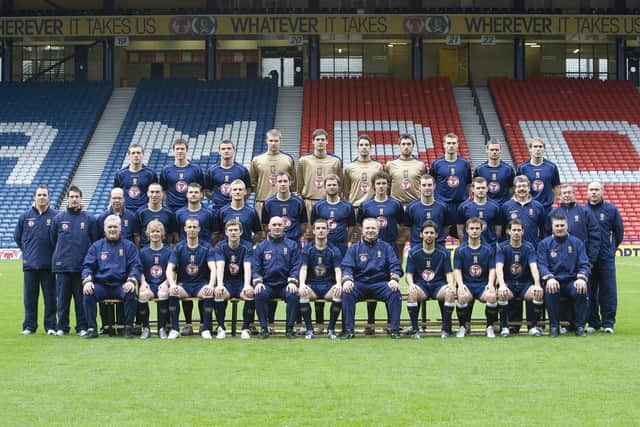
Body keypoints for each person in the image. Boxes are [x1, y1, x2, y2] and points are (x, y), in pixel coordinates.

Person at [356, 171, 405, 331]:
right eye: (378, 183)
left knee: (389, 284)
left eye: (384, 183)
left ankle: (391, 323)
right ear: (373, 186)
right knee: (371, 280)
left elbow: (402, 225)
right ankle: (371, 323)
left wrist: (397, 243)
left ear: (388, 185)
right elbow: (359, 226)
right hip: (370, 248)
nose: (381, 186)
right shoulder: (366, 205)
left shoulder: (395, 204)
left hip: (389, 247)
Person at [340, 218, 403, 339]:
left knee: (395, 291)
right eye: (367, 228)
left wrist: (394, 279)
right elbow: (347, 266)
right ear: (362, 231)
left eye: (373, 228)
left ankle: (394, 330)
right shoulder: (354, 248)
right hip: (360, 284)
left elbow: (395, 264)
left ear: (378, 230)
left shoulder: (386, 247)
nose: (370, 231)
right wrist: (347, 280)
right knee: (347, 292)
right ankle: (348, 330)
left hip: (381, 284)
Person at [81, 215, 141, 339]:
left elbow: (135, 265)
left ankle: (128, 327)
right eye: (110, 227)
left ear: (120, 228)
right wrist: (87, 280)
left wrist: (131, 280)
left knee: (131, 292)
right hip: (101, 285)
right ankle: (92, 328)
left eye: (115, 227)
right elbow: (87, 265)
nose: (112, 229)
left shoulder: (128, 246)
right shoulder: (96, 246)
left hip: (120, 285)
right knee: (88, 292)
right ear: (104, 229)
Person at [51, 186, 98, 336]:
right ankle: (62, 327)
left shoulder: (89, 218)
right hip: (63, 266)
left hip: (81, 267)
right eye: (71, 196)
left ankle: (82, 327)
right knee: (62, 300)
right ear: (67, 198)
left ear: (81, 198)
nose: (74, 199)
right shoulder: (58, 218)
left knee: (80, 300)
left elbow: (95, 240)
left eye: (77, 196)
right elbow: (53, 239)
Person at [14, 185, 58, 335]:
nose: (41, 197)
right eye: (39, 195)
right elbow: (18, 238)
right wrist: (28, 252)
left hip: (49, 265)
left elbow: (59, 239)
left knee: (50, 298)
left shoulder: (55, 216)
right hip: (30, 265)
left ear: (49, 197)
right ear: (35, 196)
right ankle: (29, 326)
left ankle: (51, 326)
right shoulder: (25, 216)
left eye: (44, 195)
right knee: (30, 299)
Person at [537, 214, 590, 337]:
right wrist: (549, 277)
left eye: (562, 225)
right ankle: (554, 326)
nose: (559, 228)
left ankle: (580, 326)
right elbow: (542, 265)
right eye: (557, 226)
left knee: (581, 289)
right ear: (552, 227)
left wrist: (581, 278)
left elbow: (584, 264)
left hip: (572, 281)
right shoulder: (544, 244)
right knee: (551, 290)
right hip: (554, 281)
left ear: (567, 226)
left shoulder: (577, 243)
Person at [165, 217, 217, 340]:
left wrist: (210, 284)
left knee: (208, 292)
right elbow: (169, 268)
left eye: (194, 227)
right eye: (189, 227)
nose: (192, 229)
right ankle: (175, 329)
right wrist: (172, 284)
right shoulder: (179, 247)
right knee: (173, 292)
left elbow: (213, 268)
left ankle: (205, 329)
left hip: (200, 284)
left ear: (199, 229)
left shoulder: (206, 247)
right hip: (184, 284)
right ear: (185, 229)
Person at [405, 221, 456, 339]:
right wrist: (411, 284)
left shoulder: (444, 252)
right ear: (421, 234)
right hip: (421, 286)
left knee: (449, 292)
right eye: (426, 232)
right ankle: (415, 330)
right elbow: (409, 274)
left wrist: (451, 284)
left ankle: (445, 329)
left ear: (436, 235)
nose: (429, 235)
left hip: (438, 286)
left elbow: (449, 273)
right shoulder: (413, 252)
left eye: (432, 233)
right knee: (412, 293)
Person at [252, 216, 301, 339]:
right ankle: (264, 328)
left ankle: (289, 329)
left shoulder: (292, 245)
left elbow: (296, 265)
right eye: (274, 225)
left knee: (293, 294)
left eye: (279, 225)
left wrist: (293, 281)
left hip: (285, 284)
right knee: (259, 293)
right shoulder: (261, 246)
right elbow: (256, 267)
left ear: (284, 226)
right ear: (269, 227)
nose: (277, 227)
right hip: (267, 284)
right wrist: (258, 282)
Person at [585, 181, 624, 334]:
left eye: (596, 190)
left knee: (608, 290)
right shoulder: (582, 210)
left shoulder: (611, 210)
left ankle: (608, 322)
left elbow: (618, 232)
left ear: (602, 192)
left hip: (606, 258)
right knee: (590, 290)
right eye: (591, 190)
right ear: (587, 192)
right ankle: (594, 322)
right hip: (588, 259)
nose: (593, 192)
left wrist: (611, 249)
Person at [495, 219, 544, 337]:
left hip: (525, 284)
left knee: (537, 293)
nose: (516, 232)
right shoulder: (502, 247)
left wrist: (537, 284)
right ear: (508, 231)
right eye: (514, 230)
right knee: (502, 293)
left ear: (523, 232)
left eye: (519, 230)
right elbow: (499, 267)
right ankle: (505, 327)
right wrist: (502, 284)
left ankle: (533, 327)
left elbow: (534, 267)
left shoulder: (529, 247)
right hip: (509, 284)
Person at [453, 217, 498, 338]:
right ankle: (463, 326)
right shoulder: (460, 250)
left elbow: (492, 269)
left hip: (482, 285)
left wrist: (490, 284)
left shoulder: (488, 249)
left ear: (481, 230)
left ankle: (489, 327)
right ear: (466, 230)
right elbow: (457, 270)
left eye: (477, 228)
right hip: (467, 284)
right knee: (462, 297)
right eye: (471, 228)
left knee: (492, 296)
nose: (474, 231)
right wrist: (461, 285)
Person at [298, 219, 343, 339]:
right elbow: (303, 269)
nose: (321, 230)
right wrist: (302, 284)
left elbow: (338, 270)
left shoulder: (334, 250)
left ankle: (331, 329)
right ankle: (309, 330)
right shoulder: (307, 249)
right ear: (313, 231)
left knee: (338, 293)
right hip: (313, 286)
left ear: (328, 231)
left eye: (323, 228)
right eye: (318, 228)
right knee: (302, 293)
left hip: (328, 286)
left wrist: (338, 284)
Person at [213, 220, 255, 339]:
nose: (233, 233)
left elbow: (247, 266)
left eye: (236, 230)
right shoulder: (221, 246)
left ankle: (245, 329)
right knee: (219, 294)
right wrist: (220, 285)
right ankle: (221, 328)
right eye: (230, 230)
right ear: (226, 232)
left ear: (241, 232)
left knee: (249, 294)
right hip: (227, 282)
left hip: (241, 282)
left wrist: (247, 285)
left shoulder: (247, 246)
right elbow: (220, 266)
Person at [296, 128, 343, 227]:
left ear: (327, 141)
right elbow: (299, 182)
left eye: (322, 139)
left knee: (330, 233)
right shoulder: (304, 160)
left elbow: (340, 183)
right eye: (317, 140)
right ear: (313, 141)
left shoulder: (335, 161)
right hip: (309, 201)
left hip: (329, 202)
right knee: (310, 233)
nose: (320, 142)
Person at [429, 133, 472, 238]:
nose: (451, 145)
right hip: (442, 204)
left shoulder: (464, 163)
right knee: (440, 235)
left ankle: (462, 254)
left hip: (460, 205)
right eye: (448, 143)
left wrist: (465, 200)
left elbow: (468, 184)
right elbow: (432, 184)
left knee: (462, 234)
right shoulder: (436, 164)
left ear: (457, 145)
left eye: (453, 143)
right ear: (444, 144)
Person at [546, 184, 601, 267]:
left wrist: (591, 259)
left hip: (581, 258)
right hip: (558, 259)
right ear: (559, 196)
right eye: (564, 193)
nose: (567, 195)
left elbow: (595, 235)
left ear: (574, 194)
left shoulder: (585, 212)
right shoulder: (553, 214)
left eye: (569, 192)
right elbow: (546, 235)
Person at [250, 129, 296, 220]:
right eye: (271, 140)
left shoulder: (288, 159)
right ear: (266, 141)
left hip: (283, 203)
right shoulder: (257, 159)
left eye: (276, 141)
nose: (273, 143)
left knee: (284, 231)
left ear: (280, 141)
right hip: (262, 202)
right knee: (262, 232)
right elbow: (253, 182)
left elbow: (293, 182)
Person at [138, 220, 172, 339]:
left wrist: (166, 282)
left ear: (162, 233)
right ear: (148, 233)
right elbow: (140, 270)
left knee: (163, 293)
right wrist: (143, 283)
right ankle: (146, 328)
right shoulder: (143, 252)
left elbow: (172, 270)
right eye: (152, 231)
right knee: (142, 294)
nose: (155, 234)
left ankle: (161, 328)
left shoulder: (169, 251)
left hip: (163, 283)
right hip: (149, 284)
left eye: (158, 231)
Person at [310, 174, 356, 256]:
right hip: (323, 245)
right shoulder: (318, 206)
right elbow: (313, 225)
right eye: (329, 185)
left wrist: (346, 240)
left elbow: (351, 226)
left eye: (334, 185)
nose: (332, 187)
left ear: (339, 187)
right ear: (325, 187)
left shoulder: (347, 206)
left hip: (341, 245)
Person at [516, 137, 561, 214]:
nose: (538, 149)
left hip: (547, 208)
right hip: (528, 207)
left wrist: (550, 200)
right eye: (535, 146)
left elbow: (556, 187)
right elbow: (516, 187)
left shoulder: (552, 167)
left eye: (540, 146)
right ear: (530, 149)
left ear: (544, 149)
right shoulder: (522, 168)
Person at [204, 140, 251, 212]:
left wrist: (238, 201)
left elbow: (248, 190)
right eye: (223, 149)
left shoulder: (242, 170)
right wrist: (216, 199)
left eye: (229, 148)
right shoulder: (211, 170)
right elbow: (207, 190)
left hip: (236, 208)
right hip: (218, 208)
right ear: (219, 151)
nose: (226, 151)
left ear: (234, 150)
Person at [343, 135, 384, 220]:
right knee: (355, 233)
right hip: (355, 207)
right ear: (357, 148)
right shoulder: (349, 167)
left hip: (373, 207)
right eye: (361, 145)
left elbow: (383, 187)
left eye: (366, 145)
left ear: (370, 147)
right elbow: (346, 190)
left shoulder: (378, 166)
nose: (364, 147)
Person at [159, 138, 204, 213]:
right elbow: (163, 190)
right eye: (177, 149)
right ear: (173, 151)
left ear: (186, 150)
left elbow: (202, 190)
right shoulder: (166, 169)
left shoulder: (196, 169)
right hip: (171, 209)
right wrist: (170, 200)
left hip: (190, 209)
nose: (180, 151)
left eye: (182, 149)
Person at [213, 179, 263, 245]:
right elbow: (217, 233)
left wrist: (250, 244)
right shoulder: (222, 212)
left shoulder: (251, 212)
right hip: (227, 251)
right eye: (235, 189)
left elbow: (258, 232)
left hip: (245, 251)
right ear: (230, 192)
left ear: (245, 192)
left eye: (240, 189)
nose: (237, 192)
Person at [500, 175, 546, 247]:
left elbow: (543, 230)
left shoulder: (538, 207)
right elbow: (502, 232)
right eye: (519, 186)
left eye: (524, 186)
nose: (522, 188)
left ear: (529, 188)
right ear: (515, 189)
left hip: (532, 249)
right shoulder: (506, 206)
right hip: (511, 250)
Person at [261, 171, 307, 242]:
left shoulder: (299, 202)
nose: (283, 184)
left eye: (285, 181)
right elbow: (265, 225)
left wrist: (296, 235)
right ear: (275, 183)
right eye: (280, 181)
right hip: (275, 241)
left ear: (290, 183)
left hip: (294, 241)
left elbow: (303, 224)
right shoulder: (268, 203)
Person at [404, 174, 448, 248]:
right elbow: (408, 228)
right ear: (419, 187)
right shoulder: (411, 207)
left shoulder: (443, 206)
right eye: (424, 185)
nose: (427, 188)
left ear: (434, 186)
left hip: (438, 244)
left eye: (429, 185)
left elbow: (446, 228)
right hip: (417, 244)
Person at [457, 177, 502, 246]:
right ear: (472, 189)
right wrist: (464, 243)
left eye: (483, 188)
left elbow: (498, 229)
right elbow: (460, 229)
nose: (481, 190)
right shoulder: (463, 207)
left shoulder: (496, 206)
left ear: (487, 189)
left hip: (490, 246)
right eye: (478, 188)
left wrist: (493, 242)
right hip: (470, 246)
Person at [113, 143, 158, 213]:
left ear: (142, 155)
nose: (136, 155)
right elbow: (115, 193)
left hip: (145, 211)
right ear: (129, 156)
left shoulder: (151, 173)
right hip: (126, 211)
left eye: (138, 153)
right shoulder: (120, 174)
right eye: (133, 153)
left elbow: (156, 193)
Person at [385, 133, 427, 206]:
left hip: (415, 204)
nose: (406, 147)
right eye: (403, 144)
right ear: (399, 146)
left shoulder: (421, 165)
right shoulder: (390, 164)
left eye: (408, 144)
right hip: (396, 205)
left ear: (413, 146)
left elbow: (424, 186)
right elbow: (387, 186)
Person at [473, 138, 515, 205]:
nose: (494, 152)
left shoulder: (508, 169)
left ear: (500, 150)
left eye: (496, 150)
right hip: (486, 206)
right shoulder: (480, 169)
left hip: (503, 205)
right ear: (487, 150)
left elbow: (512, 188)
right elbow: (474, 188)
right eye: (492, 150)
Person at [135, 182, 178, 247]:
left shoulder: (169, 213)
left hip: (164, 249)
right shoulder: (140, 212)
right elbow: (137, 235)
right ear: (148, 193)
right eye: (152, 192)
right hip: (145, 248)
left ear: (162, 194)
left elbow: (172, 234)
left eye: (157, 192)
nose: (154, 195)